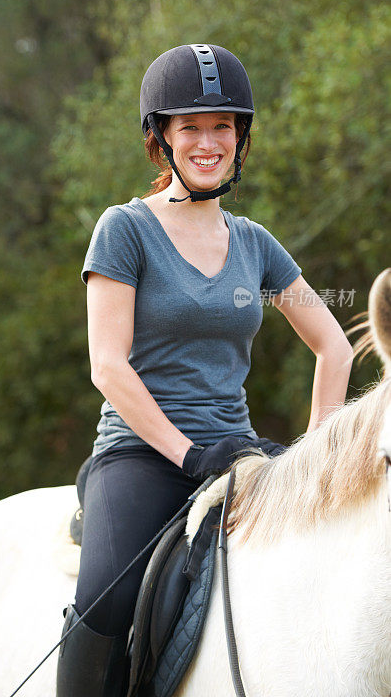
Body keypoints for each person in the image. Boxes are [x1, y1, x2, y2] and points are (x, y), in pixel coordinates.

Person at [56, 44, 353, 697]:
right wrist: (188, 455)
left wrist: (315, 454)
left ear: (239, 138)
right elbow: (107, 366)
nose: (207, 141)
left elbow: (335, 347)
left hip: (236, 453)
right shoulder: (123, 231)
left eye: (222, 126)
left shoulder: (254, 243)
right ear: (161, 137)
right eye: (189, 126)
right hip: (141, 452)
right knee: (107, 594)